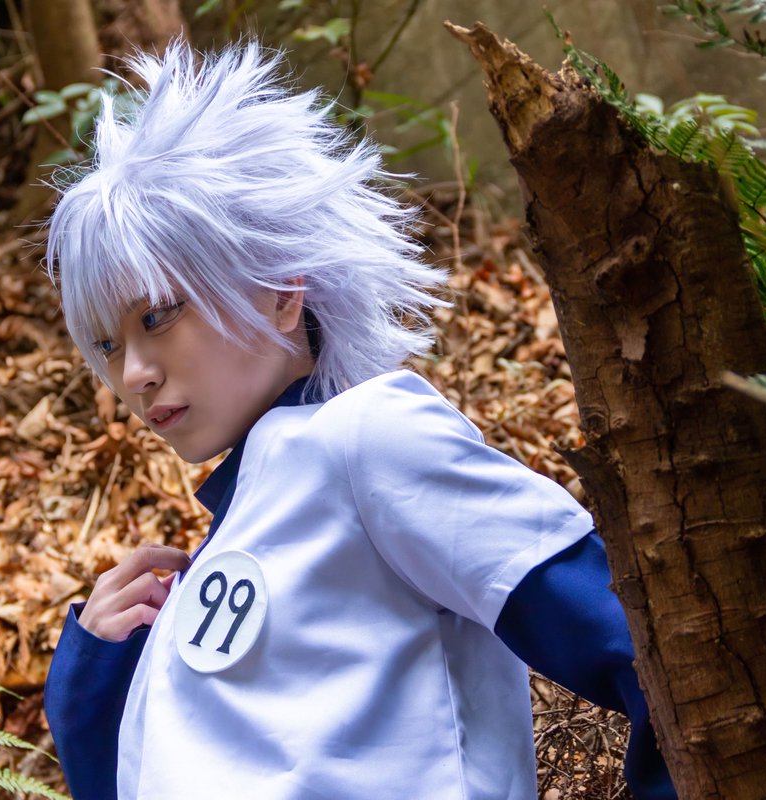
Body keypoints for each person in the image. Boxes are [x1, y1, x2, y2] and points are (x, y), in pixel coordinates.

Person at [41, 38, 676, 800]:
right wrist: (94, 679)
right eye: (108, 345)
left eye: (159, 316)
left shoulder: (370, 438)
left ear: (282, 291)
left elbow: (644, 647)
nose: (133, 374)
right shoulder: (218, 552)